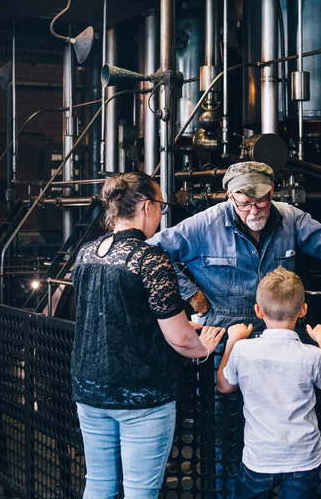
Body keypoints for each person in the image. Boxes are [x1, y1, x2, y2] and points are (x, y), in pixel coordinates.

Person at [71, 171, 225, 499]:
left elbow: (113, 313)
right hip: (141, 395)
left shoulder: (86, 253)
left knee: (98, 484)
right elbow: (180, 338)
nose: (160, 215)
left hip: (89, 388)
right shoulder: (149, 258)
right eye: (161, 206)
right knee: (140, 492)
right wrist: (203, 347)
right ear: (146, 206)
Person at [148, 161, 321, 331]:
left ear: (272, 190)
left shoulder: (290, 218)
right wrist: (192, 296)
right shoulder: (204, 225)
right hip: (224, 334)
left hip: (279, 331)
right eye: (244, 203)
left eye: (261, 201)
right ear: (230, 197)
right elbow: (151, 253)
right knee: (225, 405)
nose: (253, 210)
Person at [216, 267, 321, 499]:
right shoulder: (311, 354)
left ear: (258, 310)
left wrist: (232, 341)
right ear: (303, 310)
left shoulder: (243, 350)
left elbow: (224, 385)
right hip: (303, 458)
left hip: (259, 458)